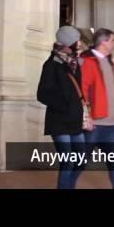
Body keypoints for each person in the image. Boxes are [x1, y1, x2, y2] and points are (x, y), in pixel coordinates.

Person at [36, 25, 85, 189]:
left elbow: (79, 89)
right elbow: (42, 94)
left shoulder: (74, 63)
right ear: (67, 43)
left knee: (81, 160)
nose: (80, 44)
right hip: (59, 121)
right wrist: (66, 104)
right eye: (76, 41)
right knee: (68, 162)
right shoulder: (51, 65)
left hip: (75, 120)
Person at [80, 28, 114, 189]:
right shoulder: (87, 61)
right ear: (103, 42)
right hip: (94, 124)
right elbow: (82, 90)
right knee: (78, 163)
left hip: (111, 124)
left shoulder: (109, 61)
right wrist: (86, 117)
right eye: (113, 40)